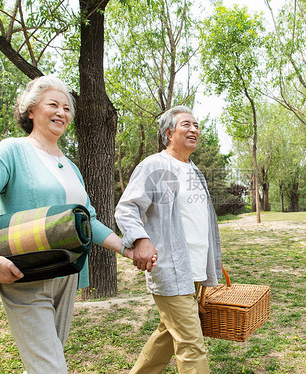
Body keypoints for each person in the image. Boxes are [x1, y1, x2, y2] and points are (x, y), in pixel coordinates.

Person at [0, 76, 136, 374]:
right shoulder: (12, 150)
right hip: (24, 273)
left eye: (67, 108)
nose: (62, 113)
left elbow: (87, 219)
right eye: (53, 104)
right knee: (51, 369)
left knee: (42, 364)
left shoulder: (71, 166)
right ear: (30, 111)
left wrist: (125, 249)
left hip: (66, 273)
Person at [115, 105, 223, 374]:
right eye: (186, 124)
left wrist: (213, 260)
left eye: (197, 125)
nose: (194, 129)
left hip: (195, 268)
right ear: (168, 132)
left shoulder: (196, 172)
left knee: (168, 333)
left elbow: (199, 221)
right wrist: (141, 240)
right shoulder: (154, 165)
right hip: (171, 268)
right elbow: (126, 208)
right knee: (191, 343)